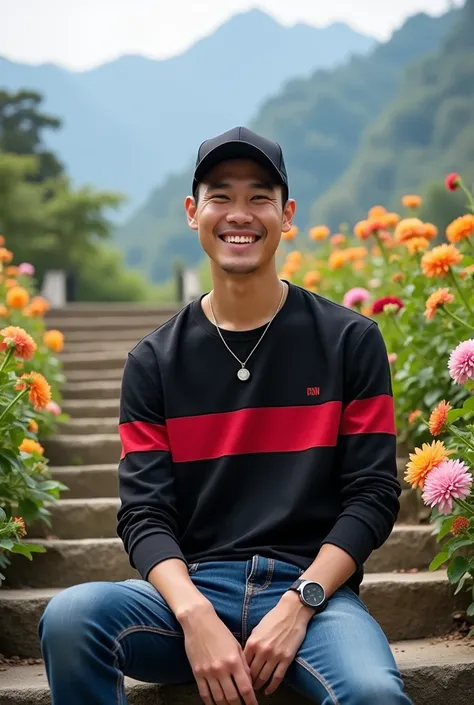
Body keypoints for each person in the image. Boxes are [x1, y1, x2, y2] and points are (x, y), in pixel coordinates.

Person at [39, 126, 413, 705]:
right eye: (221, 196)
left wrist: (301, 602)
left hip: (312, 596)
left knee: (372, 692)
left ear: (286, 214)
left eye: (260, 197)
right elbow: (143, 512)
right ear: (194, 212)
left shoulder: (349, 340)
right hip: (191, 591)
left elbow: (372, 495)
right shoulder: (152, 361)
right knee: (70, 616)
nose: (241, 213)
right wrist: (193, 614)